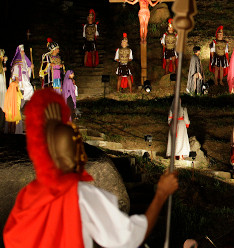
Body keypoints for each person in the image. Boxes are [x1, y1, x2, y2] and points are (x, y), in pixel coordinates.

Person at [3, 88, 179, 248]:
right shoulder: (81, 197)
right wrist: (161, 194)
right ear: (77, 154)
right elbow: (128, 238)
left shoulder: (28, 196)